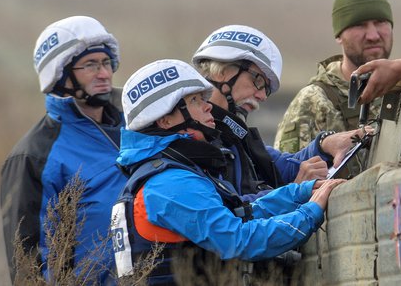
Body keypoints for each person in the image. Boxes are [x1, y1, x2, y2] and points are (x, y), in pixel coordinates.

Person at [112, 59, 345, 284]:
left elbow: (240, 211)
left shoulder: (170, 172)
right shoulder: (169, 183)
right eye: (194, 101)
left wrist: (301, 192)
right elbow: (239, 240)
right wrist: (311, 212)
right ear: (164, 120)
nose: (207, 106)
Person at [0, 15, 127, 284]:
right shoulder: (34, 155)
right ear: (60, 75)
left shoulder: (137, 128)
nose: (104, 73)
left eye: (106, 62)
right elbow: (27, 263)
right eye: (90, 65)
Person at [191, 24, 366, 198]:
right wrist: (294, 193)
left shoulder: (236, 138)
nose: (262, 96)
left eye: (266, 89)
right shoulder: (191, 140)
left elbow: (283, 165)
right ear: (223, 71)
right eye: (258, 81)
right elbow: (228, 212)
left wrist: (324, 144)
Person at [274, 0, 394, 154]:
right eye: (360, 25)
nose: (373, 35)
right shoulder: (315, 101)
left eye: (380, 22)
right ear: (339, 35)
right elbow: (288, 173)